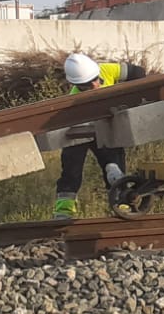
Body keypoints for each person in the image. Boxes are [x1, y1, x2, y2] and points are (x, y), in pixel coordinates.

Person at [53, 51, 146, 217]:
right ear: (78, 85)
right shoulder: (73, 100)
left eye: (96, 80)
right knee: (71, 170)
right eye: (87, 85)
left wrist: (131, 99)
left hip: (106, 127)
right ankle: (64, 211)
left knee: (114, 165)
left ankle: (121, 204)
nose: (95, 85)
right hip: (78, 130)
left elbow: (137, 73)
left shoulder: (108, 70)